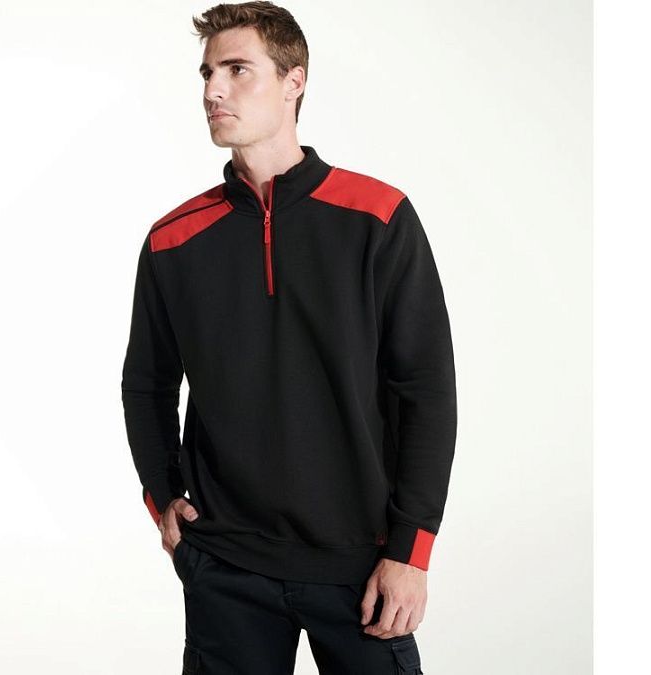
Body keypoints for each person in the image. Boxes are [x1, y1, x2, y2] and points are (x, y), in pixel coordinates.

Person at [121, 2, 456, 673]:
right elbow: (146, 384)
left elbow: (424, 389)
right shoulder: (174, 239)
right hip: (225, 564)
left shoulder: (377, 216)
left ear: (293, 81)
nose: (214, 90)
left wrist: (410, 551)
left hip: (361, 565)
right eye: (208, 73)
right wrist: (163, 496)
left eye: (237, 69)